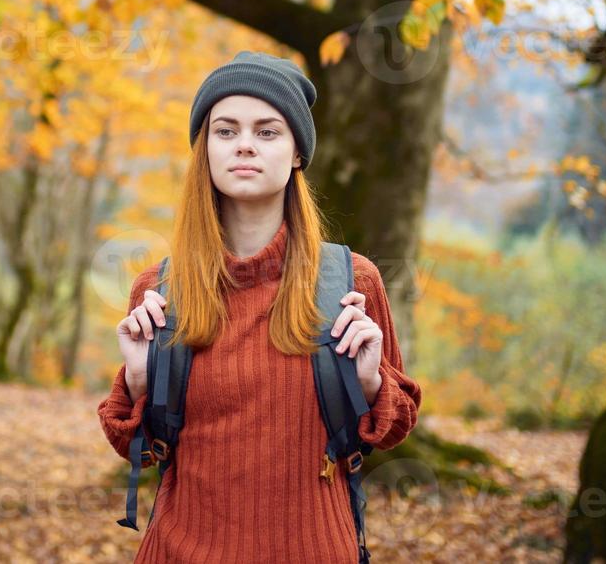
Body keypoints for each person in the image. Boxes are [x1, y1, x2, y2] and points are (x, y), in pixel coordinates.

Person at [97, 50, 423, 562]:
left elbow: (395, 426)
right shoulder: (158, 291)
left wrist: (370, 381)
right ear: (205, 150)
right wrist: (138, 379)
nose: (244, 145)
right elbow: (138, 449)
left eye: (267, 132)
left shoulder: (351, 281)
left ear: (297, 152)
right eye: (225, 131)